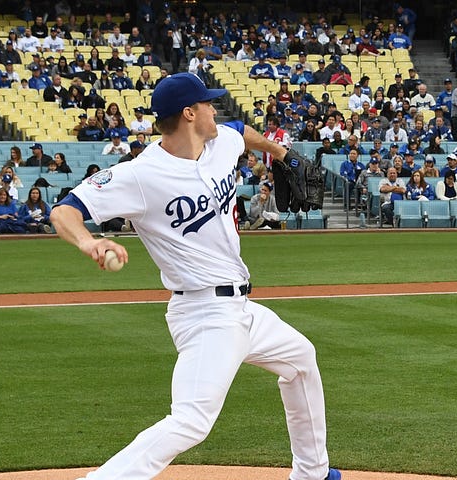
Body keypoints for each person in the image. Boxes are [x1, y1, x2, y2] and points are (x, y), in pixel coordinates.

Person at [49, 73, 338, 480]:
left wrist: (280, 152)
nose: (214, 110)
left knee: (301, 360)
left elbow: (241, 131)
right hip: (204, 313)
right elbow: (64, 211)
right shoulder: (140, 174)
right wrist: (89, 243)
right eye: (207, 104)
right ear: (189, 113)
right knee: (191, 420)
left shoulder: (219, 143)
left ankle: (313, 473)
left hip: (240, 308)